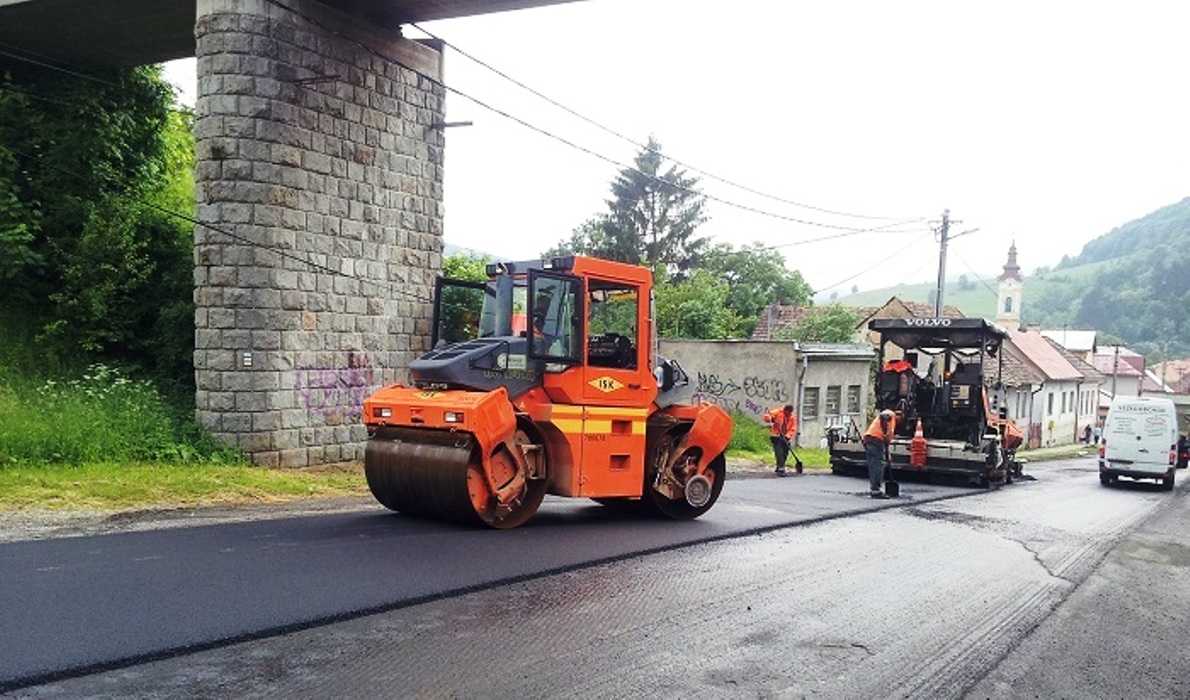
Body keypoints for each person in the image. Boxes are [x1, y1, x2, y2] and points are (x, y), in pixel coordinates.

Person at [862, 409, 897, 498]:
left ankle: (874, 489)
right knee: (878, 465)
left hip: (869, 438)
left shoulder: (885, 417)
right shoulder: (891, 415)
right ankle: (876, 491)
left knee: (873, 465)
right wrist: (886, 449)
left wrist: (887, 453)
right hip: (876, 439)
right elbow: (889, 434)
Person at [763, 404, 799, 476]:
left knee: (785, 452)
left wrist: (787, 436)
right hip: (776, 436)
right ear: (785, 410)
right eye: (787, 413)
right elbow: (766, 416)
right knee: (779, 452)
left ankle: (780, 466)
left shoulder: (792, 417)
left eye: (789, 413)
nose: (788, 414)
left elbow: (793, 428)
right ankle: (781, 468)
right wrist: (771, 419)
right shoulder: (778, 412)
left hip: (785, 436)